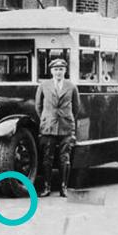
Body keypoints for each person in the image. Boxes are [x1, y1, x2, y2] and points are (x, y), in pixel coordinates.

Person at [35, 57, 81, 198]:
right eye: (55, 69)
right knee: (47, 158)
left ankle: (63, 188)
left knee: (65, 158)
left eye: (61, 69)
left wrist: (67, 118)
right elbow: (38, 106)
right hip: (48, 126)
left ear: (65, 71)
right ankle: (47, 187)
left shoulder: (71, 86)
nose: (58, 72)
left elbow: (76, 107)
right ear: (51, 71)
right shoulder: (44, 85)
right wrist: (46, 118)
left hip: (66, 126)